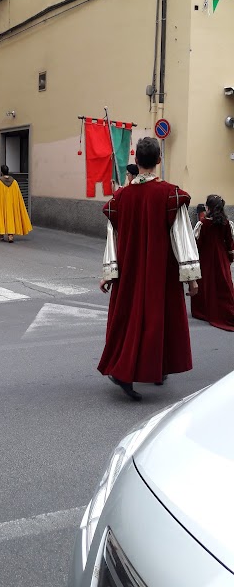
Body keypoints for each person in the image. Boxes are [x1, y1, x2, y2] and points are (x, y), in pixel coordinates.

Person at [98, 136, 201, 401]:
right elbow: (182, 236)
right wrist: (191, 276)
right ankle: (123, 372)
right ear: (158, 160)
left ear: (136, 161)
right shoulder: (170, 194)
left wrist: (109, 272)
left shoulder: (120, 198)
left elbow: (113, 236)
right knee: (157, 320)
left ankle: (156, 367)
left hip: (130, 270)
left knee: (131, 319)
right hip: (160, 271)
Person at [191, 194, 234, 332]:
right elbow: (230, 244)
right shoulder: (226, 223)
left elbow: (198, 243)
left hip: (206, 258)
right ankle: (224, 308)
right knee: (223, 283)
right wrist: (229, 258)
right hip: (221, 258)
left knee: (206, 283)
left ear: (208, 207)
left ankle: (203, 311)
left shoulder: (202, 223)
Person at [0, 164, 32, 243]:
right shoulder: (14, 182)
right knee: (11, 218)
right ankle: (10, 236)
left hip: (2, 204)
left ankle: (1, 234)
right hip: (12, 204)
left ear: (1, 172)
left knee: (1, 217)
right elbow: (18, 195)